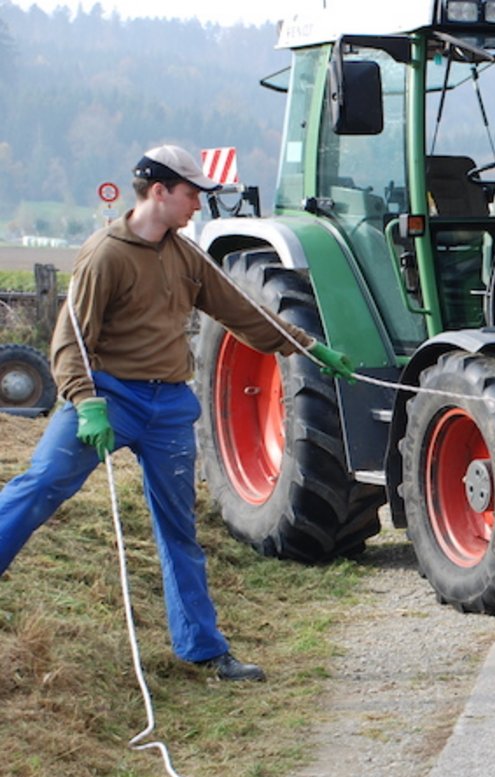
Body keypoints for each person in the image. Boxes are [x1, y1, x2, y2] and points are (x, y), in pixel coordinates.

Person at [0, 144, 356, 682]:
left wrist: (306, 346)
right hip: (107, 400)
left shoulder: (184, 255)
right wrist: (85, 401)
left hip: (168, 407)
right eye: (192, 193)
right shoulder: (105, 255)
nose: (198, 204)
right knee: (40, 485)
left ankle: (204, 649)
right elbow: (70, 340)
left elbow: (238, 309)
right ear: (160, 191)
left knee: (178, 530)